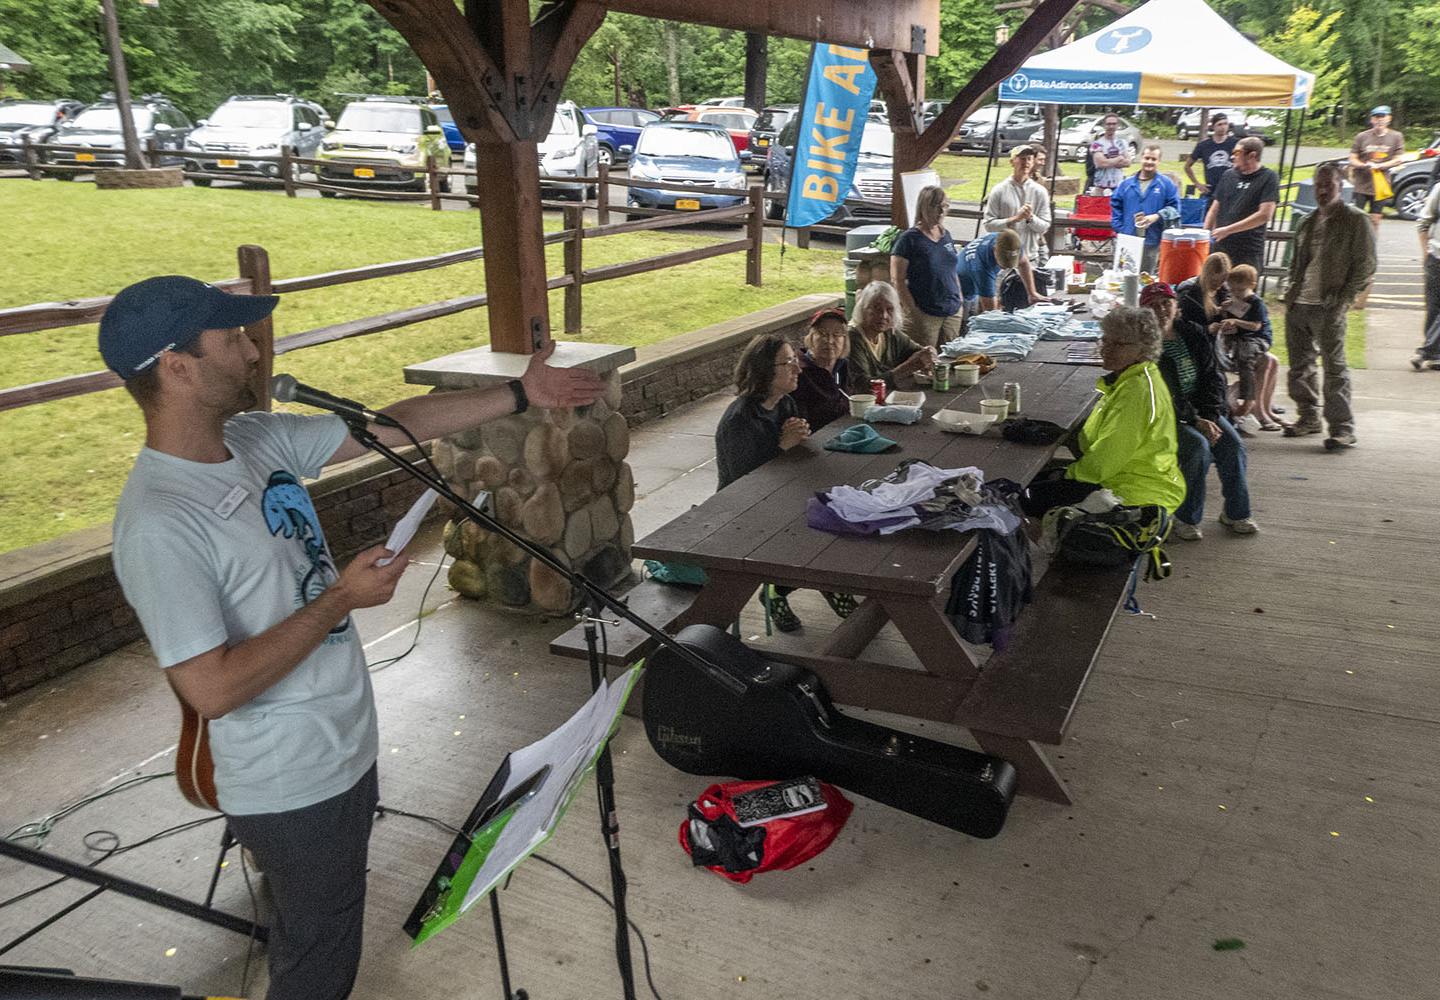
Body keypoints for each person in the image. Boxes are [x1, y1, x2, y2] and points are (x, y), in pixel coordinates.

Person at [101, 275, 604, 1000]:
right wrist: (341, 596)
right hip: (289, 783)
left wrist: (523, 394)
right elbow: (209, 688)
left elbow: (389, 425)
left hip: (342, 747)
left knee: (317, 925)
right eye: (233, 339)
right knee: (320, 959)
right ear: (176, 368)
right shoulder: (160, 521)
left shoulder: (252, 438)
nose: (252, 353)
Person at [714, 334, 853, 630]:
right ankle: (790, 588)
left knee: (844, 506)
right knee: (821, 528)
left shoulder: (785, 403)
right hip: (744, 512)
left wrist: (801, 435)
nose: (798, 368)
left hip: (782, 496)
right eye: (788, 362)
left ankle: (819, 581)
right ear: (764, 370)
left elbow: (797, 454)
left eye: (795, 360)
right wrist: (782, 447)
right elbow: (744, 485)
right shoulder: (739, 420)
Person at [1019, 306, 1185, 516]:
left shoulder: (1136, 391)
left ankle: (1048, 541)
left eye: (1119, 344)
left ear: (1143, 350)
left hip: (1132, 488)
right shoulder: (1132, 379)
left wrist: (1066, 473)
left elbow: (1106, 459)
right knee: (1030, 488)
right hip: (1124, 476)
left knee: (1019, 498)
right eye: (1105, 340)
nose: (1107, 349)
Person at [1142, 282, 1257, 539]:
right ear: (1144, 311)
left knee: (1233, 445)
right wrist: (1196, 421)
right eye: (1154, 305)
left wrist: (1209, 416)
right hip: (1164, 415)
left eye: (1166, 303)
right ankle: (1186, 517)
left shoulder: (1192, 333)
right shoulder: (1145, 346)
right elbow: (1164, 395)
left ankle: (1236, 513)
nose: (1161, 310)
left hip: (1200, 410)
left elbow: (1213, 378)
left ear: (1176, 306)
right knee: (1197, 448)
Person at [1281, 161, 1376, 450]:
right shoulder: (1307, 221)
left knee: (1335, 368)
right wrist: (1290, 291)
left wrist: (1344, 300)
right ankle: (1308, 417)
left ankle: (1343, 428)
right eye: (1319, 185)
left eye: (1329, 185)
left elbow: (1366, 265)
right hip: (1300, 302)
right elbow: (1298, 263)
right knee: (1300, 366)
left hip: (1329, 305)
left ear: (1341, 186)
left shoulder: (1356, 220)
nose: (1322, 190)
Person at [982, 145, 1053, 310]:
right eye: (1021, 158)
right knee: (1005, 308)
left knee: (1032, 307)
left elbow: (1044, 226)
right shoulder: (999, 190)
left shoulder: (1039, 191)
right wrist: (1014, 219)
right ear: (1012, 161)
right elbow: (989, 225)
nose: (1026, 162)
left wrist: (1030, 218)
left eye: (1029, 158)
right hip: (1004, 263)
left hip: (1031, 259)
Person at [890, 185, 963, 348]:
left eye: (944, 206)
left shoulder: (946, 235)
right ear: (924, 207)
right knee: (924, 360)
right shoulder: (908, 239)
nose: (941, 211)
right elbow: (897, 279)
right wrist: (913, 311)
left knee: (949, 358)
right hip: (925, 311)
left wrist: (960, 297)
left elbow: (951, 269)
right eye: (936, 206)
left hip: (952, 310)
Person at [1217, 263, 1282, 430]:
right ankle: (1260, 410)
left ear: (1252, 286)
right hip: (1241, 340)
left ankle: (1249, 398)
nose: (1236, 294)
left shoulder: (1256, 303)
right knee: (1250, 354)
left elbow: (1255, 326)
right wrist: (1224, 312)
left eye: (1240, 291)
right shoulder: (1234, 301)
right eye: (1233, 290)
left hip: (1257, 339)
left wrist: (1236, 321)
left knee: (1247, 357)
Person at [1203, 136, 1279, 272]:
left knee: (1242, 291)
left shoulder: (1268, 177)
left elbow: (1264, 215)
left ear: (1252, 155)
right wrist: (1204, 236)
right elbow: (1214, 209)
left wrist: (1227, 230)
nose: (1232, 157)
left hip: (1248, 252)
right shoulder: (1228, 175)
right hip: (1221, 249)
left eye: (1237, 153)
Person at [846, 280, 936, 391]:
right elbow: (863, 386)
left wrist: (929, 353)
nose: (884, 315)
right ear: (863, 309)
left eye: (890, 309)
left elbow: (918, 351)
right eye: (877, 308)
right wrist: (907, 368)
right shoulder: (853, 338)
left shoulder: (889, 333)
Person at [1110, 144, 1181, 274]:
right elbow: (1115, 205)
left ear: (1158, 161)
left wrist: (1157, 216)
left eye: (1153, 159)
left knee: (1146, 280)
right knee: (1123, 279)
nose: (1149, 162)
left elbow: (1175, 209)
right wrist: (1120, 227)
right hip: (1128, 240)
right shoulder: (1126, 184)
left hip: (1152, 240)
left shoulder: (1166, 184)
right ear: (1141, 158)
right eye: (1147, 158)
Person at [791, 307, 851, 430]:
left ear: (845, 340)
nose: (829, 341)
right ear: (811, 338)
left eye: (837, 334)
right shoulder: (799, 372)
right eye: (822, 334)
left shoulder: (843, 366)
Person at [1349, 105, 1405, 233]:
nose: (1379, 120)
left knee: (1375, 219)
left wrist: (1381, 166)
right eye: (1376, 117)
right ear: (1372, 120)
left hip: (1381, 186)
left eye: (1382, 117)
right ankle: (1355, 245)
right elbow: (1352, 158)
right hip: (1361, 185)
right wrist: (1363, 165)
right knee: (1357, 217)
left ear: (1388, 118)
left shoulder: (1396, 136)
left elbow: (1399, 159)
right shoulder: (1361, 136)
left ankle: (1371, 246)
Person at [956, 229, 1023, 316]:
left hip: (974, 279)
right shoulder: (980, 267)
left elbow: (1024, 263)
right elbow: (990, 313)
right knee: (965, 317)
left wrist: (1032, 294)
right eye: (1002, 264)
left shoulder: (1011, 242)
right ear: (994, 250)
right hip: (960, 289)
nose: (1004, 268)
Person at [1413, 178, 1440, 371]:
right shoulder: (1439, 190)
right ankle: (1435, 354)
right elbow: (1423, 222)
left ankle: (1425, 352)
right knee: (1433, 308)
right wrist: (1425, 253)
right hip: (1436, 257)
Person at [1183, 112, 1238, 203]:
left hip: (1230, 190)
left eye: (1225, 124)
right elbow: (1187, 166)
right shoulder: (1204, 145)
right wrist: (1197, 184)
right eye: (1219, 124)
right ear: (1213, 127)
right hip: (1211, 191)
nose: (1223, 127)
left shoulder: (1235, 143)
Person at [1176, 251, 1231, 332]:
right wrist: (1206, 329)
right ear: (1209, 275)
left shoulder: (1224, 289)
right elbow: (1181, 324)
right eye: (1215, 281)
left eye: (1223, 281)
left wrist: (1225, 312)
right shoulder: (1189, 293)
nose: (1220, 285)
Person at [1088, 113, 1131, 192]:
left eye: (1114, 124)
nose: (1111, 126)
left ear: (1118, 125)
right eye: (1109, 124)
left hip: (1118, 186)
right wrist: (1119, 158)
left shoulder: (1122, 143)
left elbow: (1128, 163)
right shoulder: (1096, 144)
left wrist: (1108, 160)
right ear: (1104, 125)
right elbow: (1101, 163)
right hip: (1101, 186)